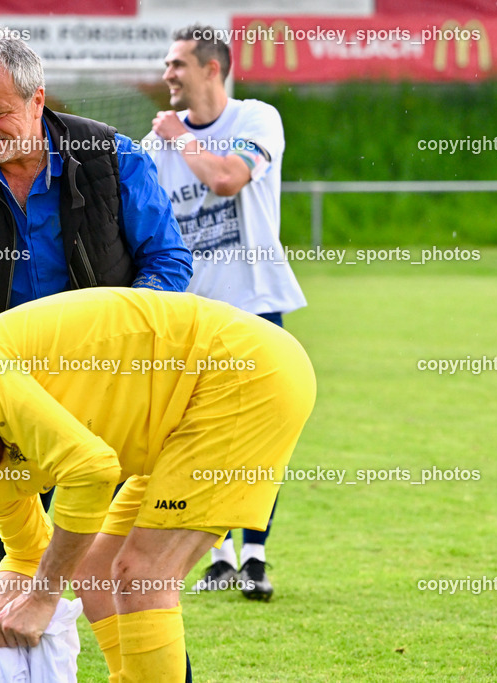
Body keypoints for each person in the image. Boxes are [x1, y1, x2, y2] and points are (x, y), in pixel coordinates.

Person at [0, 36, 193, 595]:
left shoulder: (112, 158)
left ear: (37, 100)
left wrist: (131, 335)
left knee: (116, 579)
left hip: (102, 395)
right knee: (5, 571)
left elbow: (166, 260)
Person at [0, 287, 317, 683]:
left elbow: (91, 469)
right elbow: (26, 555)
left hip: (242, 371)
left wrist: (43, 598)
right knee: (95, 569)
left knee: (144, 575)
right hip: (182, 416)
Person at [144, 24, 307, 600]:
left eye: (177, 64)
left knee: (260, 439)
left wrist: (176, 136)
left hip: (257, 306)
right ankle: (218, 557)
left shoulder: (256, 119)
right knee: (193, 439)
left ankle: (256, 556)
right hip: (193, 319)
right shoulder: (154, 144)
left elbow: (226, 178)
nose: (167, 75)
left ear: (213, 68)